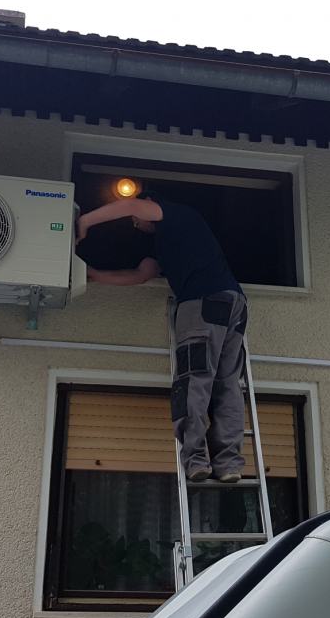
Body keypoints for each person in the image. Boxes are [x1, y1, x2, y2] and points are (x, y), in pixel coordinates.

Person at [76, 191, 247, 483]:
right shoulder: (168, 243)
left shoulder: (178, 214)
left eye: (135, 218)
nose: (134, 222)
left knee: (193, 380)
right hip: (234, 304)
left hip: (201, 303)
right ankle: (229, 463)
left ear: (151, 204)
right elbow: (141, 274)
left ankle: (196, 459)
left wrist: (84, 222)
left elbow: (131, 204)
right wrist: (94, 275)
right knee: (227, 382)